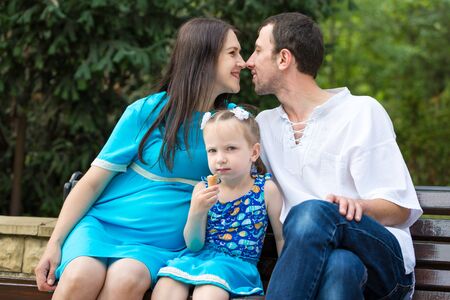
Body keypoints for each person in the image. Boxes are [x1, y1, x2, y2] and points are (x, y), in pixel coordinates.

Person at [34, 17, 246, 299]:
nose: (242, 62)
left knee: (127, 279)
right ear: (204, 58)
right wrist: (54, 243)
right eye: (233, 53)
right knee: (80, 275)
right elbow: (92, 183)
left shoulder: (233, 123)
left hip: (160, 245)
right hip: (102, 227)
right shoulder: (147, 111)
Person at [246, 12, 422, 300]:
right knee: (341, 266)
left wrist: (358, 206)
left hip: (384, 266)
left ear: (283, 58)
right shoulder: (263, 126)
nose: (249, 62)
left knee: (312, 211)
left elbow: (400, 209)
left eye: (258, 50)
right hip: (323, 266)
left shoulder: (361, 112)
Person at [151, 106, 284, 300]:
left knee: (209, 290)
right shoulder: (203, 189)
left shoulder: (266, 190)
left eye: (230, 148)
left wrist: (283, 280)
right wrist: (197, 212)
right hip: (198, 259)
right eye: (212, 150)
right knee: (167, 284)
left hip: (236, 266)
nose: (220, 159)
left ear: (254, 152)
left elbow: (281, 238)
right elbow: (194, 245)